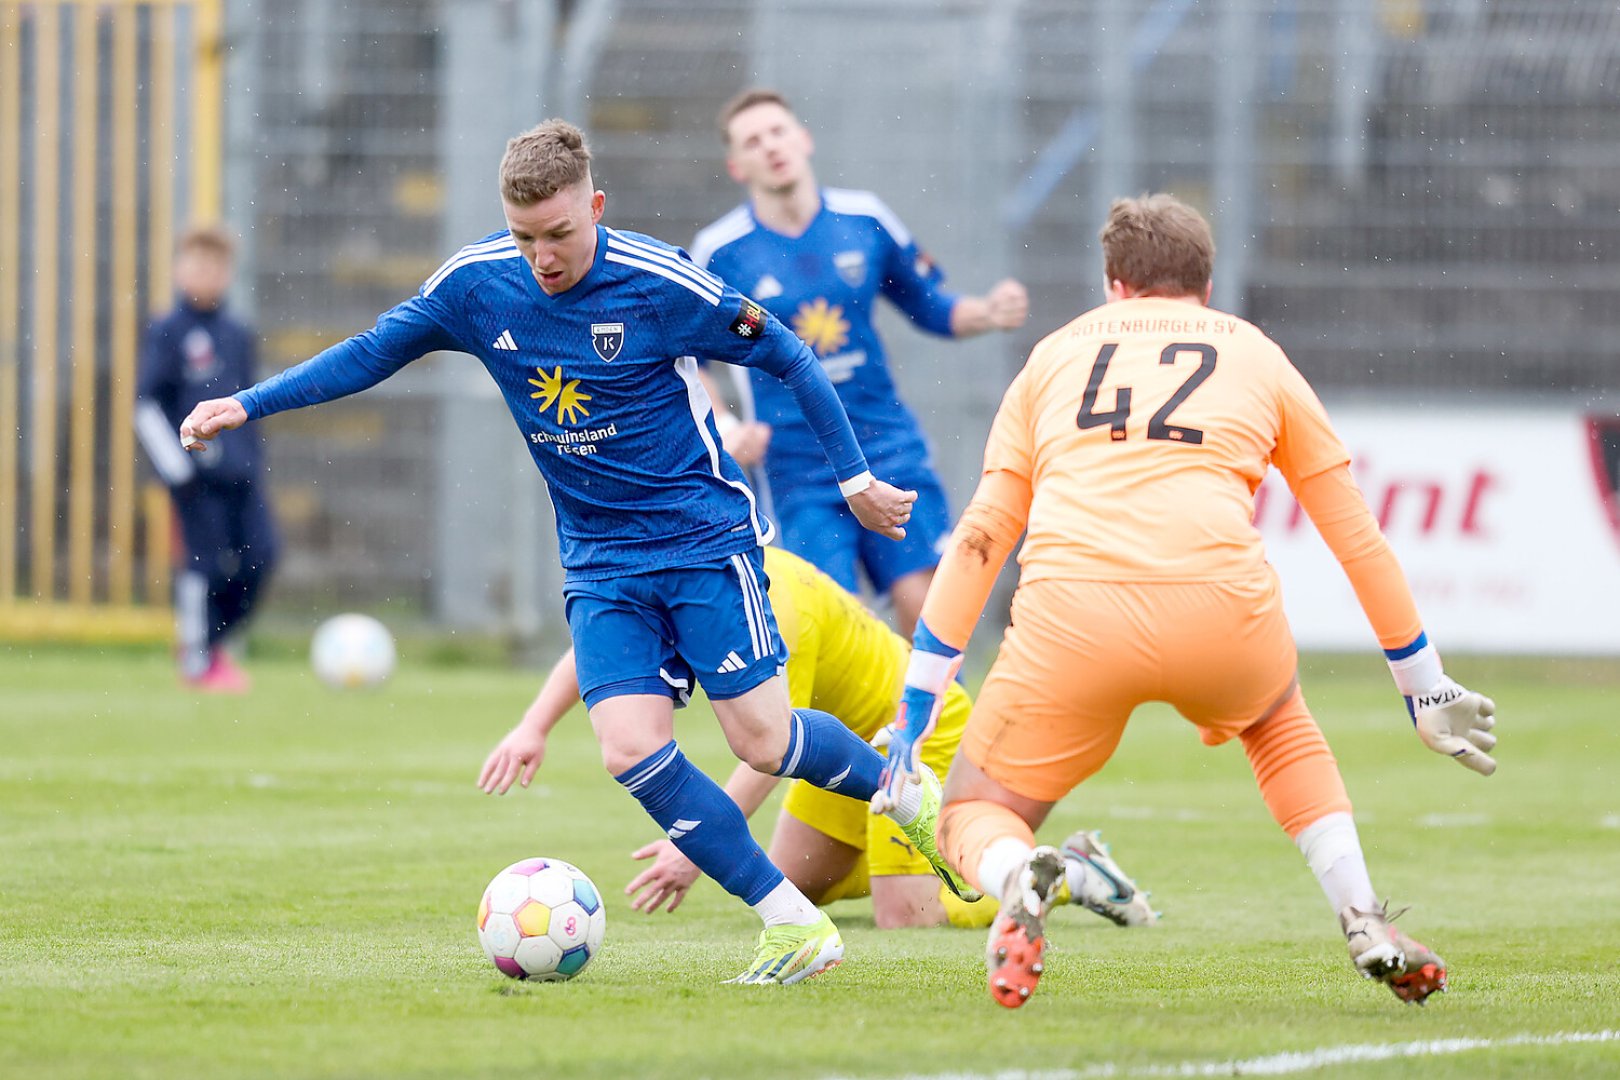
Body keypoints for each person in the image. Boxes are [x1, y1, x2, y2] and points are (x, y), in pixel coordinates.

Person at [179, 119, 964, 986]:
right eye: (525, 238)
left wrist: (854, 480)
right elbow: (372, 353)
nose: (543, 257)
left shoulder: (658, 282)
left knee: (764, 744)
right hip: (599, 561)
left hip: (703, 541)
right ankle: (792, 926)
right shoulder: (478, 285)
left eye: (559, 234)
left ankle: (906, 789)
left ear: (594, 206)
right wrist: (246, 404)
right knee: (630, 749)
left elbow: (787, 353)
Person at [873, 194, 1499, 1008]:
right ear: (1205, 283)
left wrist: (919, 700)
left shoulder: (1054, 357)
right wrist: (1424, 685)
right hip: (1220, 612)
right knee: (1278, 726)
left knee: (973, 811)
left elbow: (983, 538)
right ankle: (1361, 917)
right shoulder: (1255, 353)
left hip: (1074, 618)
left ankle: (1020, 873)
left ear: (1113, 285)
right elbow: (1356, 536)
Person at [478, 545, 1159, 932]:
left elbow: (772, 750)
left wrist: (695, 846)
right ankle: (926, 853)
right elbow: (607, 644)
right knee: (806, 887)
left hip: (910, 733)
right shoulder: (688, 565)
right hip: (839, 746)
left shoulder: (769, 606)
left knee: (906, 919)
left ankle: (1066, 874)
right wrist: (532, 726)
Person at [690, 89, 1030, 637]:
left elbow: (932, 305)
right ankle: (863, 725)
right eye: (753, 141)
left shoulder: (864, 218)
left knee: (924, 602)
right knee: (837, 622)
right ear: (737, 166)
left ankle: (928, 722)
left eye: (778, 131)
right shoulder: (720, 252)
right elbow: (692, 359)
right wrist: (727, 427)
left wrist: (987, 311)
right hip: (796, 466)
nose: (771, 146)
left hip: (885, 443)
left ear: (804, 139)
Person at [135, 224, 277, 692]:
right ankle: (199, 661)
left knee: (263, 556)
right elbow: (147, 404)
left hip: (242, 474)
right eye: (197, 266)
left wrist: (252, 460)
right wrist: (178, 468)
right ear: (179, 270)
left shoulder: (237, 333)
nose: (206, 275)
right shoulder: (168, 331)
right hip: (195, 478)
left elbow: (249, 403)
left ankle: (213, 644)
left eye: (216, 267)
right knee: (205, 567)